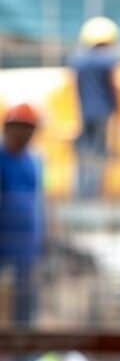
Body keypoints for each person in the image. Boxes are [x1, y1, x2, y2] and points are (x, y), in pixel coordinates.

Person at [0, 102, 44, 329]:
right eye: (20, 128)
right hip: (3, 240)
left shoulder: (34, 162)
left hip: (26, 245)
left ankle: (23, 339)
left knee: (24, 303)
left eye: (29, 129)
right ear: (8, 129)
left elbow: (39, 201)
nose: (25, 134)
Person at [71, 16, 120, 198]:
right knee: (99, 153)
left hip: (84, 112)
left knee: (83, 152)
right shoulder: (108, 60)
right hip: (102, 113)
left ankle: (80, 191)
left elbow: (75, 87)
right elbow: (114, 86)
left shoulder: (79, 61)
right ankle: (92, 193)